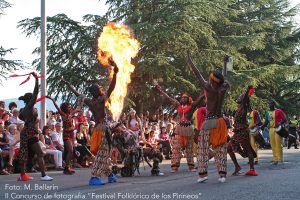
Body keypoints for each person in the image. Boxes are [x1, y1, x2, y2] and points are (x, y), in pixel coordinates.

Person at [63, 58, 119, 185]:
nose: (101, 88)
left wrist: (69, 85)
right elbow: (112, 88)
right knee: (102, 153)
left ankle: (110, 174)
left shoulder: (90, 101)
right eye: (99, 87)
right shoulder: (101, 100)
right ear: (97, 91)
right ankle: (94, 176)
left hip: (97, 129)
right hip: (103, 129)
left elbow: (78, 94)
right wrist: (115, 74)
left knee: (104, 152)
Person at [187, 52, 229, 183]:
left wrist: (189, 60)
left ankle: (212, 175)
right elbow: (224, 74)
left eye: (211, 79)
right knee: (213, 148)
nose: (209, 80)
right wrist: (225, 63)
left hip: (213, 121)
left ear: (213, 81)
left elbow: (197, 73)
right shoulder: (220, 87)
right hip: (216, 121)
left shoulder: (211, 88)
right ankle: (214, 175)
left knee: (210, 148)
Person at [155, 84, 204, 173]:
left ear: (188, 99)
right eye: (182, 97)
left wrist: (206, 91)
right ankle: (174, 167)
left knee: (189, 149)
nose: (183, 99)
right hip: (179, 129)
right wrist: (160, 91)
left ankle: (191, 166)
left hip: (188, 129)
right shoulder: (178, 105)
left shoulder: (192, 106)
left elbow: (200, 99)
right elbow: (169, 98)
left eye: (185, 97)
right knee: (177, 148)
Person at [17, 72, 53, 181]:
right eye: (32, 98)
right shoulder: (29, 106)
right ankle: (43, 175)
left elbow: (22, 118)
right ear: (30, 99)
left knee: (25, 153)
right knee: (40, 152)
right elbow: (35, 93)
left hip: (27, 132)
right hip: (29, 134)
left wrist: (31, 122)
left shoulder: (24, 109)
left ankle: (23, 175)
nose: (34, 99)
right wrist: (36, 79)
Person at [227, 86, 258, 176]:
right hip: (237, 133)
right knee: (229, 148)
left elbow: (245, 99)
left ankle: (252, 170)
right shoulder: (238, 109)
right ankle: (237, 167)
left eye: (241, 96)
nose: (239, 97)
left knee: (248, 150)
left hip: (243, 131)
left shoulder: (244, 107)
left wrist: (247, 91)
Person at [46, 98, 80, 175]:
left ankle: (68, 166)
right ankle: (66, 168)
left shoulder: (71, 114)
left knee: (71, 151)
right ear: (65, 108)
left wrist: (78, 110)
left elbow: (75, 110)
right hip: (66, 135)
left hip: (71, 135)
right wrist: (52, 100)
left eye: (70, 107)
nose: (70, 108)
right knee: (70, 150)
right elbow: (57, 107)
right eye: (68, 107)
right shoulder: (63, 115)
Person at [264, 100, 287, 164]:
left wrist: (279, 123)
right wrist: (262, 126)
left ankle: (280, 159)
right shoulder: (267, 113)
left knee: (278, 144)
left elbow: (285, 119)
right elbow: (266, 122)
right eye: (268, 104)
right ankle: (275, 159)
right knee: (273, 144)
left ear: (274, 104)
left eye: (270, 104)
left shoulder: (279, 111)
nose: (269, 105)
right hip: (270, 129)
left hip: (278, 129)